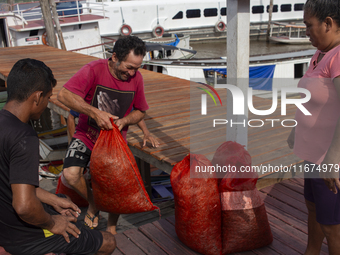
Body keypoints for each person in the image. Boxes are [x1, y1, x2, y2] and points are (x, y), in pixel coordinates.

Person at [0, 58, 116, 254]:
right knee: (108, 241)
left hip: (5, 226)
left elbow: (12, 184)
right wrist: (53, 223)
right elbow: (24, 206)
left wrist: (52, 200)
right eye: (47, 98)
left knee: (62, 199)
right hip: (22, 238)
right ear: (37, 97)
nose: (46, 104)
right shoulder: (24, 137)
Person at [57, 36, 153, 235]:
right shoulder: (93, 70)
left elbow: (141, 111)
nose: (132, 72)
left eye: (137, 67)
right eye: (129, 67)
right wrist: (94, 113)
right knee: (70, 174)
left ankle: (111, 227)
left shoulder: (137, 79)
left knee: (115, 185)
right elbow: (63, 95)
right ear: (114, 57)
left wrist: (125, 121)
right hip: (87, 135)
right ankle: (94, 205)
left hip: (114, 143)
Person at [287, 1, 340, 254]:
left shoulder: (339, 56)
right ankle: (311, 251)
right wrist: (296, 130)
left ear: (328, 23)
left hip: (327, 158)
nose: (305, 31)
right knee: (313, 208)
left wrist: (332, 159)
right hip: (312, 154)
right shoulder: (320, 54)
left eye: (309, 25)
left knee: (332, 225)